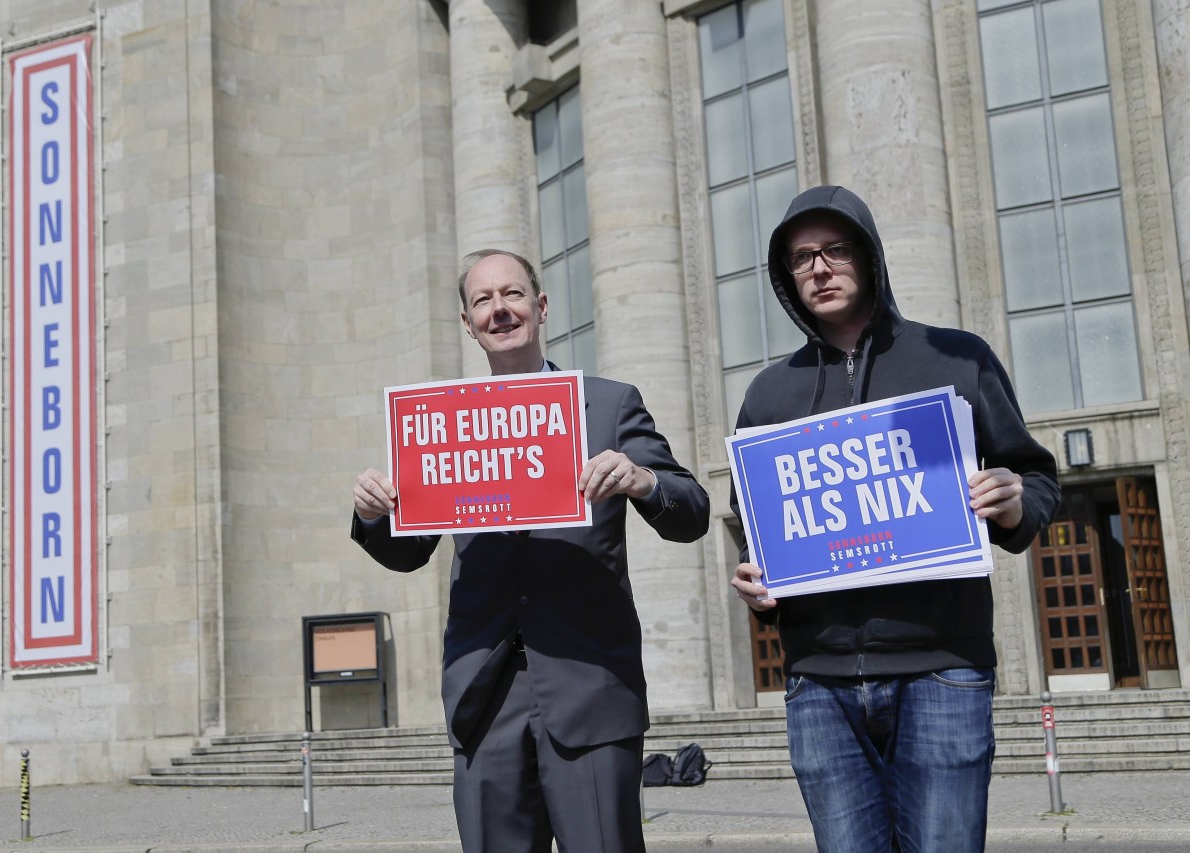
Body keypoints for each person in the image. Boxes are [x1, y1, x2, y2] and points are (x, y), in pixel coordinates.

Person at [729, 186, 1061, 853]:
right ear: (786, 277)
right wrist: (758, 585)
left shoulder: (954, 358)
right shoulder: (768, 395)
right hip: (818, 681)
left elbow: (1038, 477)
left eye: (834, 250)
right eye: (800, 259)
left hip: (942, 670)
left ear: (869, 255)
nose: (818, 268)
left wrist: (1016, 500)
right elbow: (754, 525)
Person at [353, 249, 710, 853]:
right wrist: (371, 515)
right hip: (484, 696)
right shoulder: (442, 423)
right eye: (483, 300)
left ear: (540, 307)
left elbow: (693, 512)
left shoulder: (609, 404)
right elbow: (408, 555)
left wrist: (641, 480)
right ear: (467, 323)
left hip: (590, 687)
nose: (500, 310)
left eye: (513, 294)